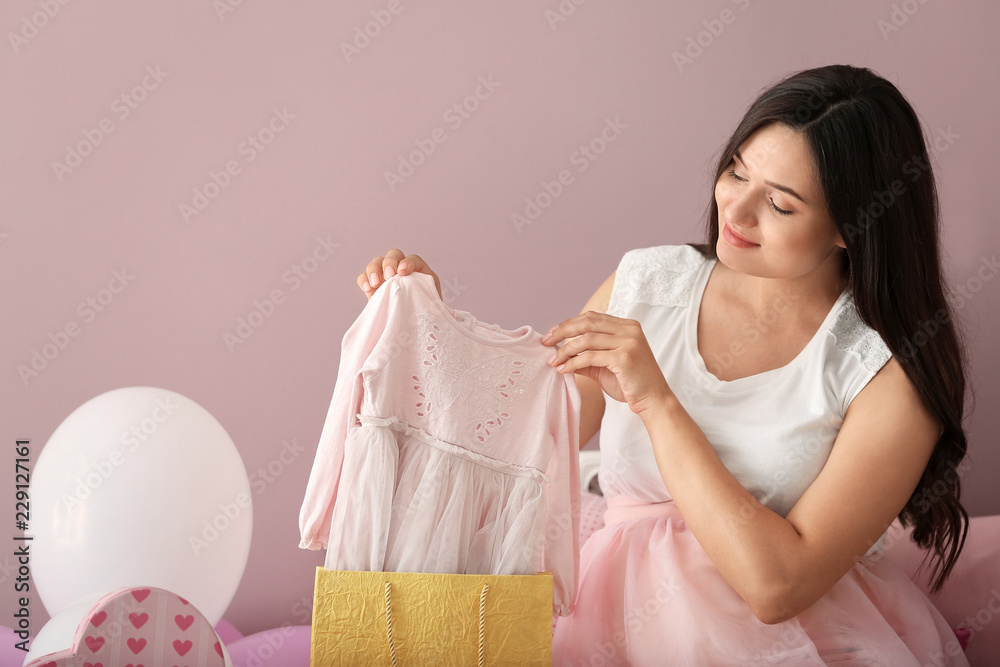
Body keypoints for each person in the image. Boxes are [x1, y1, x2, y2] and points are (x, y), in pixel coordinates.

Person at [355, 64, 971, 665]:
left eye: (780, 206)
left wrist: (658, 402)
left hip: (798, 638)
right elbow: (515, 443)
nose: (736, 211)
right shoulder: (648, 284)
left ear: (853, 226)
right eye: (735, 172)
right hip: (610, 620)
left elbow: (777, 587)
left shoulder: (888, 371)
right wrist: (427, 327)